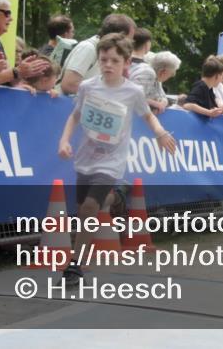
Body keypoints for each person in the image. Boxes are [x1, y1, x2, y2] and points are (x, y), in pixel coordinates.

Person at [57, 33, 175, 284]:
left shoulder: (132, 91)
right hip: (86, 156)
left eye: (114, 60)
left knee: (89, 207)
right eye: (103, 60)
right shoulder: (88, 87)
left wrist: (161, 133)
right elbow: (75, 116)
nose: (108, 65)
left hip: (111, 161)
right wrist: (64, 140)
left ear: (125, 64)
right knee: (84, 210)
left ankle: (74, 265)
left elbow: (148, 116)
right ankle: (116, 196)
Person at [59, 13, 135, 96]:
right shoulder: (88, 48)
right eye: (129, 38)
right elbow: (69, 85)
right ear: (118, 36)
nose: (131, 43)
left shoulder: (101, 49)